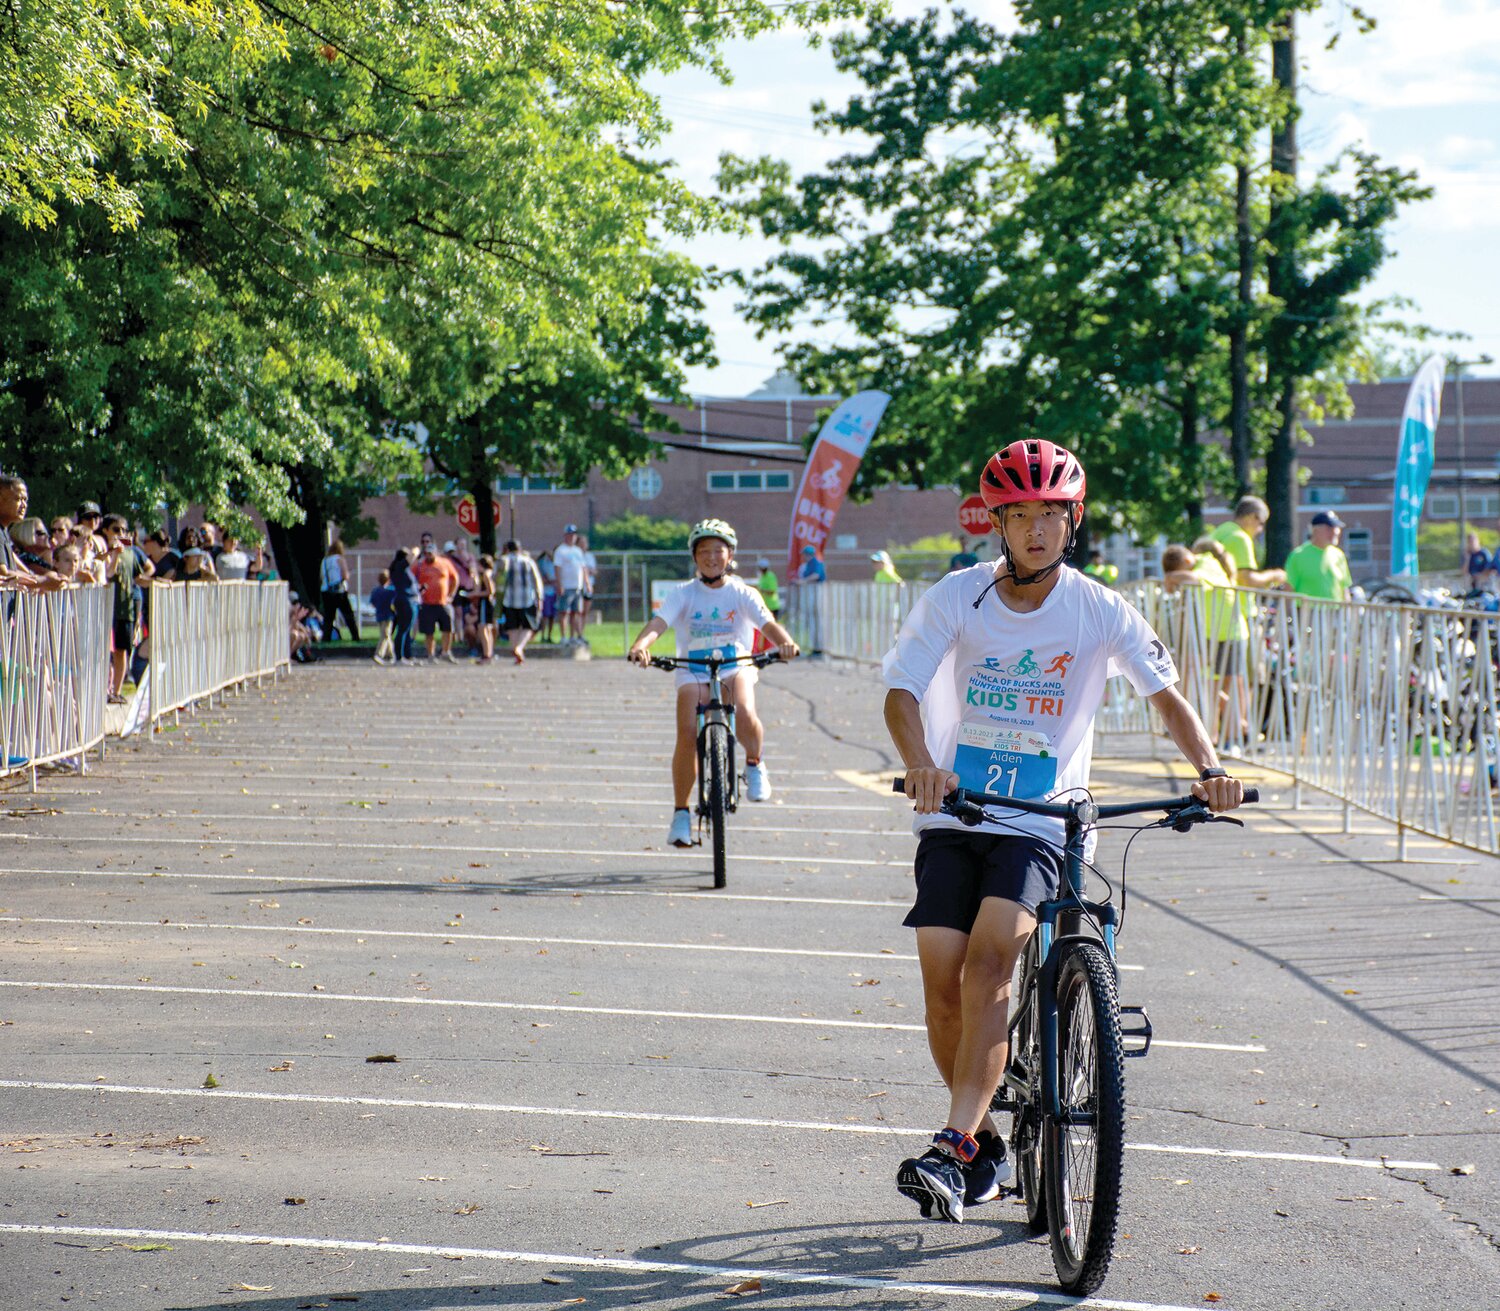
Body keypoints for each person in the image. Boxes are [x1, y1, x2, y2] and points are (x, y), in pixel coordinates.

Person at [882, 438, 1242, 1226]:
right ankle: (983, 1147)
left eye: (1050, 514)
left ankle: (950, 1144)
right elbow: (902, 690)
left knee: (988, 963)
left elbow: (1167, 694)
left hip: (1042, 823)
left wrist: (1210, 767)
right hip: (955, 810)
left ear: (1071, 521)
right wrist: (921, 763)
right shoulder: (957, 597)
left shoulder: (1097, 607)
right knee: (942, 979)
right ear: (998, 525)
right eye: (1019, 516)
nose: (1036, 529)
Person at [628, 519, 800, 846]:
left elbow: (768, 624)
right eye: (703, 551)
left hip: (735, 666)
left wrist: (786, 644)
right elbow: (658, 623)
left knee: (746, 710)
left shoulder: (742, 592)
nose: (711, 557)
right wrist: (641, 647)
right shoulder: (683, 593)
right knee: (686, 732)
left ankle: (754, 764)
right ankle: (681, 813)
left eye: (718, 551)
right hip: (693, 669)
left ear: (730, 554)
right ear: (694, 557)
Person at [101, 514, 152, 702]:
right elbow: (108, 573)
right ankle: (104, 689)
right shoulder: (102, 549)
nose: (120, 533)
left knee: (122, 650)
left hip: (126, 607)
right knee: (106, 651)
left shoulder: (130, 552)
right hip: (106, 609)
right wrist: (114, 554)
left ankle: (116, 690)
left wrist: (159, 582)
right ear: (106, 530)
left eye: (123, 530)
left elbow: (139, 577)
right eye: (116, 529)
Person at [0, 477, 65, 592]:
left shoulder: (3, 531)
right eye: (18, 499)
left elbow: (11, 557)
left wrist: (33, 577)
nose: (24, 505)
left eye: (25, 500)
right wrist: (42, 582)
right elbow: (3, 574)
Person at [1284, 510, 1353, 603]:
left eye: (1336, 528)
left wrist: (1347, 613)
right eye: (1329, 528)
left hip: (1335, 612)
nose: (1335, 532)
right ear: (1315, 530)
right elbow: (1289, 590)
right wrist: (1289, 616)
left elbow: (1344, 588)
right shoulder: (1298, 555)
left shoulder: (1339, 555)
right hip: (1307, 612)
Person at [498, 539, 544, 664]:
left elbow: (497, 578)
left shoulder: (503, 560)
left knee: (512, 626)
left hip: (508, 598)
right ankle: (520, 647)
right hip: (527, 598)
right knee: (528, 626)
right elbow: (537, 580)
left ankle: (515, 650)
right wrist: (540, 597)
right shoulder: (528, 561)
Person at [414, 539, 460, 662]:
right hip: (427, 603)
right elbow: (412, 579)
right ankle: (431, 655)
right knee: (429, 631)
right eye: (427, 553)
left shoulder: (445, 563)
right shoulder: (420, 565)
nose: (429, 556)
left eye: (431, 553)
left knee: (448, 629)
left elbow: (455, 578)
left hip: (444, 602)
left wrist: (451, 595)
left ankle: (446, 651)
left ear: (436, 553)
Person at [554, 525, 588, 647]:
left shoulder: (578, 551)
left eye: (574, 535)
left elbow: (583, 568)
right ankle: (564, 637)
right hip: (566, 586)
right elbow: (557, 568)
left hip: (577, 587)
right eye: (570, 534)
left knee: (576, 612)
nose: (572, 537)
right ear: (565, 536)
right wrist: (560, 584)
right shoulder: (560, 551)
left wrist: (587, 584)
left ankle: (573, 636)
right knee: (564, 612)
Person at [319, 539, 360, 640]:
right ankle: (355, 636)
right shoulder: (339, 559)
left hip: (326, 591)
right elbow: (345, 575)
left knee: (328, 617)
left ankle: (326, 637)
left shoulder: (324, 561)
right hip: (339, 591)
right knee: (348, 615)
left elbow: (321, 577)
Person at [388, 548, 420, 664]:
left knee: (407, 630)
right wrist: (416, 550)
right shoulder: (400, 566)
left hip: (409, 599)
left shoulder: (403, 570)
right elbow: (413, 554)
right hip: (405, 600)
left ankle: (408, 655)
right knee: (403, 629)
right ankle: (399, 657)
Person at [795, 544, 826, 656]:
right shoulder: (806, 565)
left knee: (818, 620)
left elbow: (816, 576)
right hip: (809, 594)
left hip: (816, 592)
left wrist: (804, 581)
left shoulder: (816, 563)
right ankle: (814, 646)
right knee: (811, 621)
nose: (804, 557)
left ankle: (820, 647)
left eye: (805, 555)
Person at [472, 552, 497, 663]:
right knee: (487, 629)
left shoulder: (486, 574)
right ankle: (489, 653)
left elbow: (490, 591)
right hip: (489, 604)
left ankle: (487, 655)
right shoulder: (491, 573)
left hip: (485, 603)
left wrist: (474, 595)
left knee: (483, 628)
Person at [369, 569, 396, 664]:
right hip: (388, 616)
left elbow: (372, 602)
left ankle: (391, 655)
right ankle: (379, 654)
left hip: (379, 615)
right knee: (385, 635)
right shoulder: (391, 591)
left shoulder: (375, 590)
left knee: (386, 635)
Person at [578, 533, 599, 632]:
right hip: (578, 587)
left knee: (585, 612)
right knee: (578, 611)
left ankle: (581, 633)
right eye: (581, 543)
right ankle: (575, 634)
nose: (583, 545)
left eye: (585, 543)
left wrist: (588, 571)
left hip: (588, 586)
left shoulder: (590, 556)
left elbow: (594, 571)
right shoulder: (576, 555)